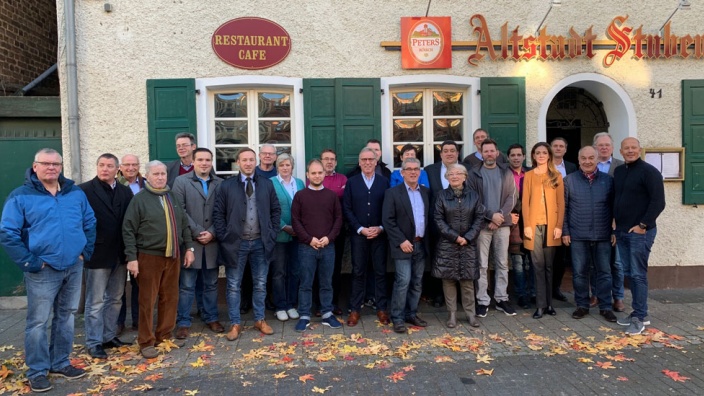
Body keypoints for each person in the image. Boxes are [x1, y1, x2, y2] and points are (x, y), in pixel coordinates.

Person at [0, 148, 96, 392]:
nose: (52, 168)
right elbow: (8, 233)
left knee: (66, 317)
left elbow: (89, 222)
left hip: (73, 265)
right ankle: (37, 370)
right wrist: (30, 262)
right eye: (46, 164)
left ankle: (60, 362)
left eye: (56, 164)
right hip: (43, 270)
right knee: (38, 322)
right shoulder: (20, 196)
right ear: (35, 167)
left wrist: (86, 251)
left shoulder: (74, 193)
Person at [123, 160, 195, 359]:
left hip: (173, 256)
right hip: (149, 257)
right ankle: (146, 341)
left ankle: (164, 336)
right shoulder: (140, 199)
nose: (161, 177)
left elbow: (183, 224)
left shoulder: (171, 196)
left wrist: (189, 248)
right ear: (147, 176)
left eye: (163, 174)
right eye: (156, 174)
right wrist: (132, 258)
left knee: (170, 298)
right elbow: (128, 230)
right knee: (147, 300)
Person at [212, 148, 281, 341]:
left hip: (261, 242)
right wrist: (225, 236)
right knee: (233, 285)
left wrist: (272, 232)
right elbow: (218, 214)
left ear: (255, 161)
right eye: (245, 160)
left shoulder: (266, 184)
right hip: (236, 244)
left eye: (252, 159)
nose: (249, 163)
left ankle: (259, 319)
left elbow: (276, 210)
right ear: (238, 162)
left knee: (260, 284)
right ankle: (235, 323)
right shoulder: (227, 186)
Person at [79, 153, 134, 359]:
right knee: (95, 302)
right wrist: (81, 250)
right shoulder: (83, 190)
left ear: (117, 169)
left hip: (120, 253)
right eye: (101, 165)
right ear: (97, 167)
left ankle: (109, 336)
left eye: (109, 166)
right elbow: (78, 223)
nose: (105, 169)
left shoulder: (125, 191)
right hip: (97, 253)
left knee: (116, 298)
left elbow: (129, 222)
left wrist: (131, 252)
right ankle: (94, 342)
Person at [614, 137, 665, 336]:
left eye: (633, 148)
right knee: (629, 273)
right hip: (623, 231)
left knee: (638, 274)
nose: (630, 151)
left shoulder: (649, 172)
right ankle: (637, 312)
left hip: (640, 232)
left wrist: (643, 225)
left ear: (640, 149)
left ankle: (640, 317)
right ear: (621, 150)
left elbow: (658, 202)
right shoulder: (620, 171)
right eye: (626, 148)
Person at [172, 148, 225, 339]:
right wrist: (196, 232)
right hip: (190, 241)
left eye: (208, 160)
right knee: (187, 284)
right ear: (193, 161)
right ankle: (184, 321)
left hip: (212, 242)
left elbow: (225, 212)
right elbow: (179, 210)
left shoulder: (220, 183)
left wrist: (212, 233)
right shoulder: (181, 182)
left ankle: (211, 317)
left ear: (212, 162)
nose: (204, 163)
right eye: (200, 159)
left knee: (211, 283)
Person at [562, 146, 617, 323]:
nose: (587, 161)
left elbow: (614, 208)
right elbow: (563, 208)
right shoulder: (569, 181)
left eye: (591, 158)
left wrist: (614, 230)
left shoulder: (608, 181)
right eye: (583, 158)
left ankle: (606, 307)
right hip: (578, 233)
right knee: (579, 272)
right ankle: (582, 305)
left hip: (603, 233)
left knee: (604, 272)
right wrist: (565, 231)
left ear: (597, 159)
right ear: (578, 160)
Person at [467, 139, 518, 317]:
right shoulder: (474, 174)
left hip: (502, 225)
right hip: (482, 225)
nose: (489, 154)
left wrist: (499, 217)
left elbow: (512, 197)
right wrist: (490, 216)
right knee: (481, 264)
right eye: (485, 151)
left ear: (497, 153)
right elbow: (473, 200)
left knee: (502, 262)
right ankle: (482, 300)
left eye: (492, 151)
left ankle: (502, 298)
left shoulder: (506, 172)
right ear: (481, 153)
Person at [291, 159, 344, 332]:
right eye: (313, 173)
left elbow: (338, 219)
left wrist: (329, 238)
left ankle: (327, 313)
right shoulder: (300, 196)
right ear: (307, 175)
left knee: (326, 282)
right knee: (305, 283)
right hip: (307, 247)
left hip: (328, 246)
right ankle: (304, 315)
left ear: (324, 174)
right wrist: (309, 239)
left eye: (319, 172)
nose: (316, 175)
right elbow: (296, 221)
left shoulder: (331, 196)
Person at [433, 163, 485, 328]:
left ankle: (470, 314)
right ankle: (452, 315)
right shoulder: (441, 196)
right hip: (448, 244)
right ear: (446, 177)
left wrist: (467, 237)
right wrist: (455, 237)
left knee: (467, 281)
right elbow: (438, 219)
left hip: (467, 244)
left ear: (465, 177)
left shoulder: (474, 196)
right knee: (448, 281)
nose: (454, 176)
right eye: (451, 174)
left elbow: (479, 218)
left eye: (458, 173)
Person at [382, 158, 430, 334]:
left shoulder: (426, 192)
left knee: (417, 282)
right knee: (403, 281)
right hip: (402, 245)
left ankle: (412, 313)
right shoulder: (393, 193)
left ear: (420, 172)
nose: (413, 172)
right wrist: (401, 241)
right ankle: (398, 317)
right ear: (401, 173)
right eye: (408, 169)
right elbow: (388, 220)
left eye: (416, 169)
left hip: (420, 244)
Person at [344, 148, 390, 327]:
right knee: (358, 272)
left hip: (379, 235)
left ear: (376, 161)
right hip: (359, 236)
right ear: (359, 162)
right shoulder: (352, 182)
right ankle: (355, 309)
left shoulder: (383, 182)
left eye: (371, 159)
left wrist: (380, 228)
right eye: (364, 160)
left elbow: (389, 208)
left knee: (379, 272)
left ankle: (381, 308)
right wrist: (360, 228)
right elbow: (347, 208)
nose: (368, 162)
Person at [522, 143, 565, 319]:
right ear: (533, 155)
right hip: (534, 226)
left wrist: (559, 226)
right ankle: (540, 306)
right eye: (537, 152)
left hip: (551, 226)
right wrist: (526, 226)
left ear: (549, 155)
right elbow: (525, 202)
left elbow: (561, 203)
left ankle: (549, 304)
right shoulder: (529, 176)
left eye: (544, 153)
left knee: (549, 267)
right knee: (537, 266)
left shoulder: (557, 175)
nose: (541, 155)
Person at [423, 140, 465, 308]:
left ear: (457, 153)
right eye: (445, 151)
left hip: (461, 225)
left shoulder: (464, 170)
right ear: (440, 154)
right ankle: (438, 295)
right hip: (437, 225)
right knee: (438, 260)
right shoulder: (429, 171)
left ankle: (460, 296)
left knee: (461, 260)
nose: (449, 153)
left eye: (452, 151)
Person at [592, 132, 626, 312]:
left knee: (617, 263)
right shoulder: (590, 166)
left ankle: (618, 297)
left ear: (612, 148)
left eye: (607, 145)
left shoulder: (621, 166)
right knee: (597, 262)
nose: (604, 148)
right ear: (595, 147)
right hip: (596, 221)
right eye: (600, 145)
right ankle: (596, 294)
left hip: (617, 222)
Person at [270, 153, 305, 321]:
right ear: (277, 167)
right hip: (279, 236)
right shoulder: (271, 183)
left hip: (298, 236)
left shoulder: (299, 183)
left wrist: (299, 228)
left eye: (288, 165)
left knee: (295, 270)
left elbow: (305, 206)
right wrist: (284, 226)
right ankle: (280, 306)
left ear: (292, 166)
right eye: (282, 165)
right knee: (279, 272)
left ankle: (291, 304)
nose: (285, 168)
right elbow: (270, 209)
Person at [117, 154, 144, 335]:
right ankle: (118, 322)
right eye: (127, 164)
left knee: (138, 284)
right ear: (120, 166)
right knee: (118, 286)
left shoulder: (145, 185)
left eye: (134, 164)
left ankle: (138, 320)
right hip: (118, 242)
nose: (131, 168)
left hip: (140, 242)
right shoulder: (114, 185)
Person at [506, 144, 534, 309]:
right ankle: (521, 294)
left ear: (524, 157)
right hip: (513, 222)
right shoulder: (504, 174)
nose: (516, 158)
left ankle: (533, 293)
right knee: (517, 262)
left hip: (530, 221)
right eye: (513, 155)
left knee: (531, 261)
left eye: (519, 155)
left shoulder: (531, 174)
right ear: (508, 157)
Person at [550, 137, 577, 303]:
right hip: (546, 216)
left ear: (565, 149)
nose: (558, 148)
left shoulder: (572, 167)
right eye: (555, 146)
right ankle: (545, 289)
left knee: (561, 257)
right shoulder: (543, 167)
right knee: (546, 257)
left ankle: (556, 289)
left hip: (565, 215)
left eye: (561, 146)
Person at [320, 149, 347, 314]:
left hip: (337, 230)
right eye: (326, 159)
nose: (329, 162)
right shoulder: (314, 178)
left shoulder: (343, 179)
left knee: (335, 268)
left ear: (336, 162)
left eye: (332, 159)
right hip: (317, 231)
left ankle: (334, 303)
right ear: (321, 161)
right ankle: (319, 304)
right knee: (318, 268)